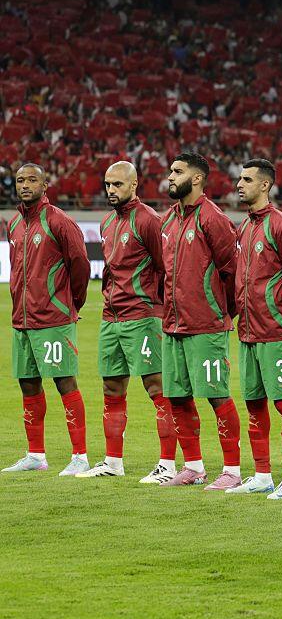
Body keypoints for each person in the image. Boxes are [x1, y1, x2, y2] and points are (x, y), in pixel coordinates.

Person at [78, 161, 176, 480]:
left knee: (156, 387)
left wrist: (160, 309)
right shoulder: (108, 223)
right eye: (107, 185)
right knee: (111, 386)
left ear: (134, 185)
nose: (110, 190)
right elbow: (109, 271)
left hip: (143, 316)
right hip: (111, 317)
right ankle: (113, 462)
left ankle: (168, 463)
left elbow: (166, 269)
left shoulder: (148, 220)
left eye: (117, 185)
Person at [224, 159, 282, 499]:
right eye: (239, 179)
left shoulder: (281, 225)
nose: (239, 184)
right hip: (247, 331)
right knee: (254, 404)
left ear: (264, 185)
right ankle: (262, 474)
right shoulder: (244, 227)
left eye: (246, 179)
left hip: (274, 331)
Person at [158, 153, 242, 489]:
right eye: (170, 171)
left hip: (205, 327)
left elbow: (232, 272)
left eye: (177, 172)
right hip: (173, 326)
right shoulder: (168, 220)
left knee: (217, 395)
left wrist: (219, 313)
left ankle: (233, 471)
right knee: (177, 396)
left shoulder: (213, 218)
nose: (170, 176)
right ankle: (193, 466)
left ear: (196, 178)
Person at [2, 164, 89, 475]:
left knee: (65, 382)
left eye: (32, 180)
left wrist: (71, 303)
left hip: (53, 318)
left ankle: (80, 456)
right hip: (22, 320)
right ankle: (36, 456)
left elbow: (80, 264)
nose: (25, 185)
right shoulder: (14, 225)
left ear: (45, 184)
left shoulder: (59, 221)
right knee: (28, 384)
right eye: (21, 180)